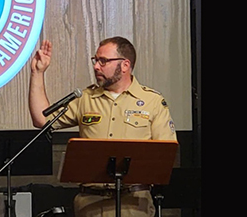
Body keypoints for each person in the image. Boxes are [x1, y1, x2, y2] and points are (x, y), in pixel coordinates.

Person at [28, 36, 177, 217]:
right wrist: (38, 72)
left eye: (103, 61)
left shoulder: (152, 101)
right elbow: (42, 119)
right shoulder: (85, 98)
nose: (96, 66)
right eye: (95, 60)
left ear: (125, 65)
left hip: (134, 204)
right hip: (91, 204)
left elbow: (165, 155)